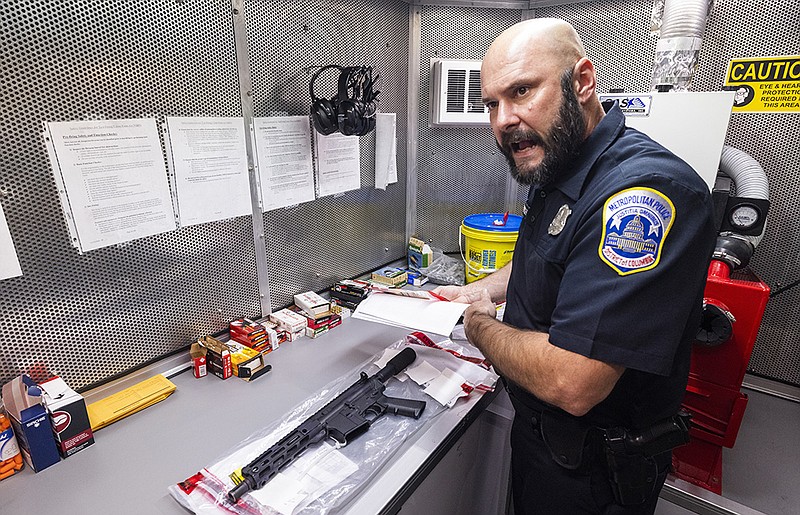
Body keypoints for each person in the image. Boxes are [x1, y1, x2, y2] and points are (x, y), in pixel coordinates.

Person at [433, 18, 716, 514]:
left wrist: (477, 325)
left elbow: (573, 380)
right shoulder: (561, 164)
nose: (503, 119)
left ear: (582, 81)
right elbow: (549, 260)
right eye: (491, 104)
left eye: (521, 91)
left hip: (595, 471)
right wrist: (481, 291)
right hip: (545, 443)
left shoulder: (641, 193)